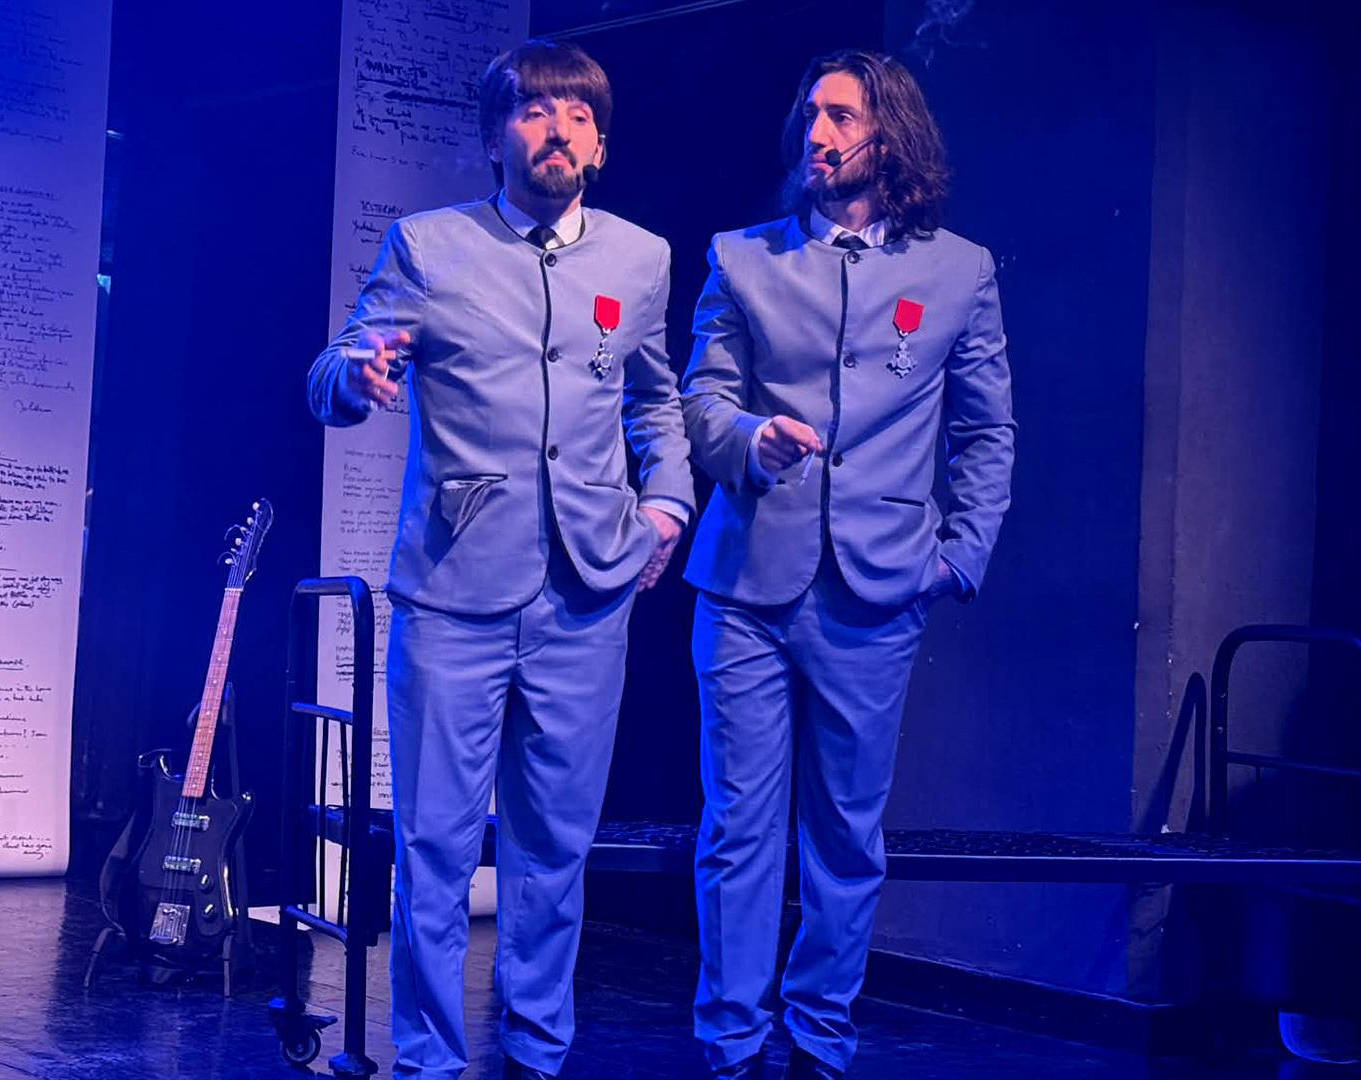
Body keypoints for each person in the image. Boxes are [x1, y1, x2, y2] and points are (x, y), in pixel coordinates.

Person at [305, 39, 693, 1080]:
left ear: (599, 145)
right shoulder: (428, 246)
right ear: (494, 137)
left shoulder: (642, 258)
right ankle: (430, 1059)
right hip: (455, 589)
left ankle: (535, 1050)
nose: (557, 128)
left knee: (554, 847)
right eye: (534, 109)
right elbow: (330, 371)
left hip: (587, 593)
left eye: (577, 114)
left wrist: (667, 503)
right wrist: (357, 377)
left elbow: (656, 400)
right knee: (435, 846)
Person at [677, 49, 1016, 1080]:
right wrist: (751, 440)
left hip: (877, 591)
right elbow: (701, 403)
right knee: (739, 829)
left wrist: (958, 558)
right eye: (810, 115)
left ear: (890, 136)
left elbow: (987, 433)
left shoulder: (960, 271)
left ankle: (820, 1038)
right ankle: (732, 1044)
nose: (817, 136)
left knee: (846, 836)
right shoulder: (742, 258)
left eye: (840, 117)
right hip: (745, 584)